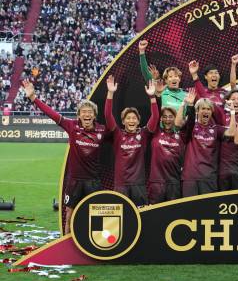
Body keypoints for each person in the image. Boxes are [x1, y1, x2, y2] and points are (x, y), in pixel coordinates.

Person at [21, 79, 109, 234]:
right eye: (84, 112)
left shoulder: (102, 130)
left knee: (96, 216)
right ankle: (67, 246)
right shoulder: (72, 126)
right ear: (79, 115)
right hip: (74, 181)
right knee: (69, 215)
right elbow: (52, 114)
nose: (87, 115)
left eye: (90, 112)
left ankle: (94, 247)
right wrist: (33, 97)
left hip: (93, 181)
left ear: (95, 116)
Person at [105, 76, 159, 206]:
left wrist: (152, 97)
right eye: (128, 118)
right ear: (123, 121)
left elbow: (155, 117)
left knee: (142, 217)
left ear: (138, 121)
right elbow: (108, 115)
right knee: (122, 218)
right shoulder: (118, 134)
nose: (131, 121)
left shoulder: (143, 134)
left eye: (134, 118)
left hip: (138, 184)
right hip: (121, 185)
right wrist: (110, 93)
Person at [176, 90, 235, 196]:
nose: (206, 111)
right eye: (203, 108)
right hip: (190, 178)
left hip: (209, 178)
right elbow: (178, 123)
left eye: (208, 109)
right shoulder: (191, 127)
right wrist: (184, 103)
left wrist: (232, 112)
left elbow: (231, 132)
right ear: (197, 111)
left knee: (208, 211)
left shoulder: (216, 129)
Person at [148, 106, 186, 204]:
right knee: (154, 215)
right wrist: (155, 96)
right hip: (156, 183)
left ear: (175, 118)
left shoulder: (181, 135)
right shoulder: (155, 132)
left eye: (170, 116)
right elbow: (155, 115)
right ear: (160, 119)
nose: (167, 119)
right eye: (164, 117)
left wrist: (187, 106)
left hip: (174, 183)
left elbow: (189, 124)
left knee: (172, 215)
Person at [218, 89, 238, 191]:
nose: (236, 101)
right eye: (233, 99)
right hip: (223, 169)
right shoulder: (221, 117)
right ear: (227, 101)